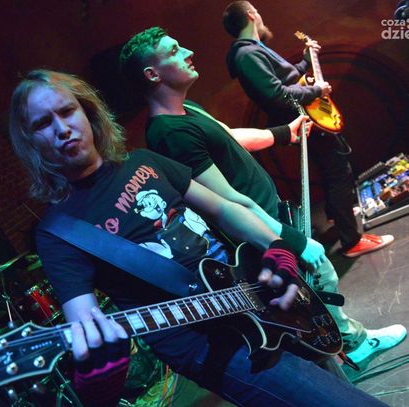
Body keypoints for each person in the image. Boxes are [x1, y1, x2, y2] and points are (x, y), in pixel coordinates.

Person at [8, 69, 387, 406]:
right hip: (215, 348)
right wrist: (98, 370)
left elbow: (222, 208)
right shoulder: (58, 232)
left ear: (88, 113)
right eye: (42, 124)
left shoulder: (143, 161)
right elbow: (84, 322)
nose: (61, 129)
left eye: (67, 111)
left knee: (341, 386)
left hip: (260, 293)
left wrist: (276, 247)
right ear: (31, 142)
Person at [118, 26, 406, 365]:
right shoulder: (170, 132)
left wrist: (283, 133)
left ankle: (341, 348)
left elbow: (228, 136)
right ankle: (354, 345)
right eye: (173, 51)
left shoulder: (185, 109)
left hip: (268, 214)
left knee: (313, 283)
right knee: (319, 275)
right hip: (258, 227)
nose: (188, 52)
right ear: (152, 75)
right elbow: (226, 200)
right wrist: (288, 239)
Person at [222, 1, 395, 258]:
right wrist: (317, 90)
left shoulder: (255, 50)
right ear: (250, 15)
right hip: (301, 118)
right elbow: (276, 95)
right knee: (338, 171)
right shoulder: (247, 55)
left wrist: (306, 60)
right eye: (256, 10)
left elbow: (289, 79)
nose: (260, 14)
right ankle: (352, 241)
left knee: (332, 170)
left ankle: (341, 221)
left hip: (306, 116)